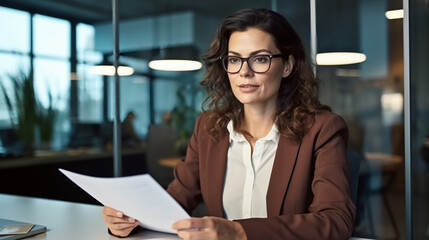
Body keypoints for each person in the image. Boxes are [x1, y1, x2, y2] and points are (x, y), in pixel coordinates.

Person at [102, 8, 355, 240]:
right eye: (234, 60)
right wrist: (129, 219)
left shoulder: (322, 129)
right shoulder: (209, 127)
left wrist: (239, 231)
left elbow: (335, 220)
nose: (244, 72)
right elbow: (175, 202)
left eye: (260, 59)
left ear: (287, 65)